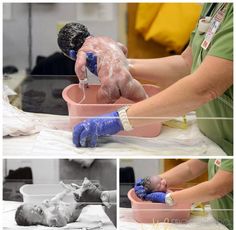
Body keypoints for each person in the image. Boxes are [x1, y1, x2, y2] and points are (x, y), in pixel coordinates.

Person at [72, 3, 233, 155]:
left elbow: (204, 87)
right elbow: (187, 64)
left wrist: (119, 120)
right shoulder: (214, 5)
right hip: (212, 139)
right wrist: (119, 67)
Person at [134, 159, 233, 230]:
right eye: (160, 183)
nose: (163, 182)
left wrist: (168, 198)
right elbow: (189, 169)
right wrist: (150, 183)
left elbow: (215, 189)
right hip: (219, 220)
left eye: (162, 181)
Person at [15, 185, 86, 227]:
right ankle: (86, 195)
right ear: (32, 223)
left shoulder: (45, 211)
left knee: (55, 198)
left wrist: (48, 204)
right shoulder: (48, 220)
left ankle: (66, 191)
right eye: (32, 211)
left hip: (63, 207)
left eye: (34, 205)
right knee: (79, 205)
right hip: (70, 215)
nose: (36, 208)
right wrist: (56, 212)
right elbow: (63, 224)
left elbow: (52, 204)